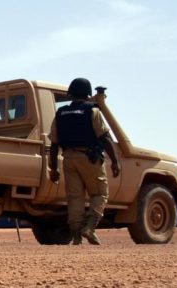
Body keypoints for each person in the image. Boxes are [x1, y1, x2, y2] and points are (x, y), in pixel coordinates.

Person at [48, 78, 120, 245]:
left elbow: (53, 144)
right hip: (89, 158)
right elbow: (105, 138)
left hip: (68, 159)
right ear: (88, 94)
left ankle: (76, 236)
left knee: (75, 198)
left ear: (70, 94)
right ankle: (89, 227)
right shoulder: (92, 111)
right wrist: (115, 161)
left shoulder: (60, 114)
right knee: (100, 193)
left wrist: (54, 168)